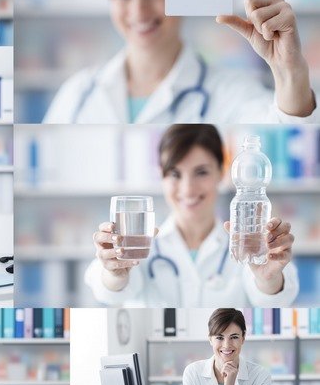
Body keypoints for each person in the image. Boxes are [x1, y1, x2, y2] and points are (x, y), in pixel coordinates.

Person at [47, 0, 318, 131]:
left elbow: (286, 125)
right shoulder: (78, 94)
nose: (138, 11)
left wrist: (290, 71)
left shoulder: (229, 91)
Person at [86, 121, 299, 307]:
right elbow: (104, 290)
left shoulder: (249, 242)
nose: (188, 189)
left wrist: (268, 278)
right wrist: (114, 272)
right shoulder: (135, 243)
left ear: (222, 173)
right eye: (175, 174)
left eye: (201, 172)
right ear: (161, 176)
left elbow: (279, 297)